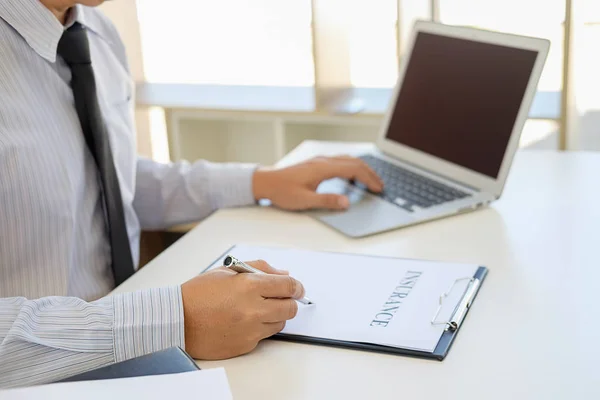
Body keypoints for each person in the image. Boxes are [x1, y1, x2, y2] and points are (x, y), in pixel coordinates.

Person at [0, 0, 383, 389]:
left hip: (126, 346)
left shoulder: (97, 33)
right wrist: (172, 318)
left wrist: (260, 182)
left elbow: (105, 181)